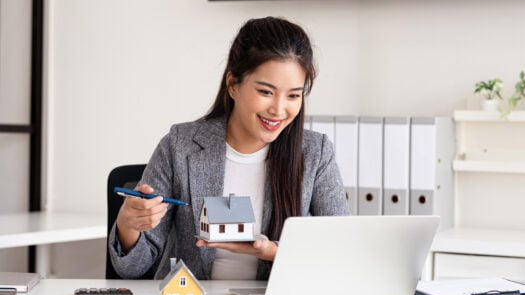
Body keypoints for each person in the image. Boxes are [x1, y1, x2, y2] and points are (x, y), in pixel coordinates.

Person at [108, 17, 350, 280]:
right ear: (233, 84)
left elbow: (342, 253)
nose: (279, 110)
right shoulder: (180, 145)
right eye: (266, 92)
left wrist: (273, 252)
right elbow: (131, 269)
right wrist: (127, 224)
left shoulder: (316, 153)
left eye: (293, 95)